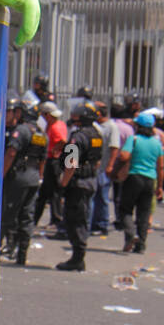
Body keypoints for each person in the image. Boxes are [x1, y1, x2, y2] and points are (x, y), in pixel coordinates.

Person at [56, 102, 103, 271]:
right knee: (81, 217)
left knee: (75, 219)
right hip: (90, 180)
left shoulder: (78, 136)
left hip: (78, 183)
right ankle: (77, 256)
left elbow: (71, 163)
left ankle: (77, 258)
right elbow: (97, 162)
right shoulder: (97, 135)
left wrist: (63, 183)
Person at [1, 98, 46, 264]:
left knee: (8, 214)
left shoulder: (21, 130)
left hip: (18, 177)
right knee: (27, 216)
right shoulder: (40, 132)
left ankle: (1, 247)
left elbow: (11, 153)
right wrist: (40, 176)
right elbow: (43, 158)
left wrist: (1, 175)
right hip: (34, 178)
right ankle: (22, 254)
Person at [114, 111, 164, 253]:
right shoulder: (156, 142)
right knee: (144, 212)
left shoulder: (134, 139)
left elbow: (124, 155)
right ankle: (141, 244)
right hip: (150, 179)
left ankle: (130, 234)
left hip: (134, 176)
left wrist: (116, 169)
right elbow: (160, 166)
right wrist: (160, 186)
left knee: (125, 209)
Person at [33, 100, 66, 234]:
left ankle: (56, 219)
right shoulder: (59, 124)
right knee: (48, 192)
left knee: (53, 193)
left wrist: (54, 150)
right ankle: (38, 219)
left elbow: (63, 140)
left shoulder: (55, 127)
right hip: (53, 161)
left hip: (53, 162)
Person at [90, 101, 119, 238]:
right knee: (92, 197)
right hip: (90, 168)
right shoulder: (93, 127)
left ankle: (101, 224)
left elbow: (114, 148)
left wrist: (110, 165)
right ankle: (91, 223)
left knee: (102, 196)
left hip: (102, 168)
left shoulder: (111, 127)